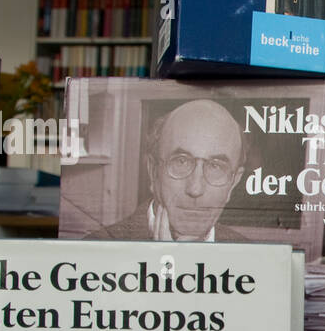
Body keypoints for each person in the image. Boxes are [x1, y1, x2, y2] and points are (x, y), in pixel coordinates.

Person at [84, 99, 246, 241]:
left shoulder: (249, 255)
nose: (195, 189)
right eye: (181, 161)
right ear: (153, 171)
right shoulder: (97, 247)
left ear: (233, 183)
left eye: (215, 166)